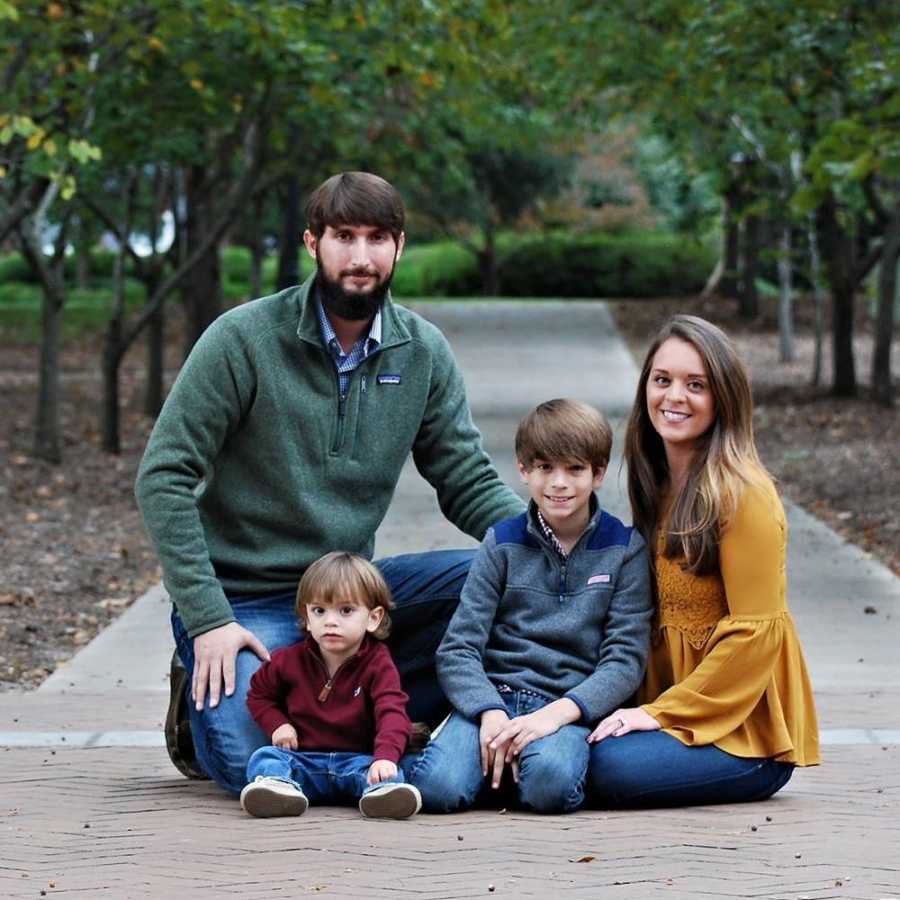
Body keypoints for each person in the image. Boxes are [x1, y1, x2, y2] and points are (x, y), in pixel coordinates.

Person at [134, 172, 524, 796]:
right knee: (249, 764)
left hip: (348, 596)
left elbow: (465, 476)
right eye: (344, 236)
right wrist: (207, 619)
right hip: (246, 603)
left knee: (505, 572)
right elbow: (164, 476)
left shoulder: (422, 351)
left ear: (399, 245)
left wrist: (554, 544)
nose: (361, 257)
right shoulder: (242, 340)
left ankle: (361, 712)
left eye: (377, 238)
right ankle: (232, 699)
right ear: (313, 243)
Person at [587, 315, 819, 807]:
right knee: (565, 742)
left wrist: (660, 713)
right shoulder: (659, 484)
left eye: (696, 385)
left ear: (724, 398)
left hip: (743, 735)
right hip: (675, 714)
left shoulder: (742, 494)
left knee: (604, 765)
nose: (674, 397)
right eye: (662, 379)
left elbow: (756, 635)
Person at [408, 399, 652, 813]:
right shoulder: (501, 543)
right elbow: (459, 648)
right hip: (495, 699)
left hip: (565, 705)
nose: (559, 483)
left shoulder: (624, 549)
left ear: (598, 474)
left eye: (574, 469)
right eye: (544, 468)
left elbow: (624, 660)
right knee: (437, 788)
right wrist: (488, 712)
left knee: (551, 788)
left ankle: (512, 769)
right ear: (523, 471)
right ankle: (485, 760)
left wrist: (557, 715)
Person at [241, 552, 422, 819]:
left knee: (391, 770)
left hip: (357, 761)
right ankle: (280, 789)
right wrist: (277, 724)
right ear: (306, 616)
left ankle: (383, 796)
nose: (331, 621)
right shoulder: (288, 660)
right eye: (319, 611)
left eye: (346, 610)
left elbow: (392, 712)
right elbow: (259, 695)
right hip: (303, 761)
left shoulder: (378, 663)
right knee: (266, 758)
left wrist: (385, 757)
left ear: (373, 618)